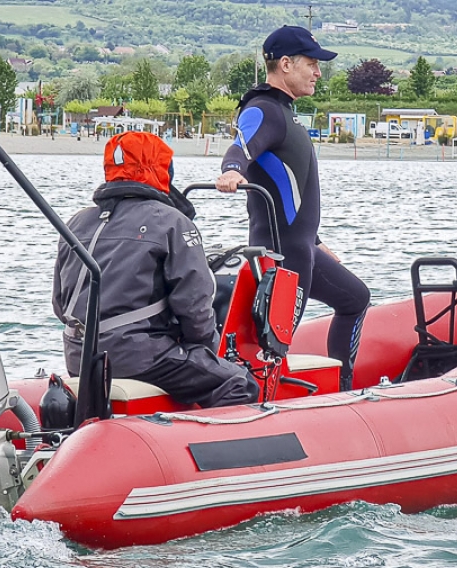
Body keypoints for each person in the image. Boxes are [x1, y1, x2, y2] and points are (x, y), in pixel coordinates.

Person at [54, 131, 260, 408]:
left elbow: (59, 304)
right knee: (238, 382)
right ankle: (194, 446)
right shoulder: (172, 222)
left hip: (78, 356)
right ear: (160, 169)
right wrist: (206, 351)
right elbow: (194, 306)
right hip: (138, 357)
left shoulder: (76, 222)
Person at [216, 25, 371, 391]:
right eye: (312, 64)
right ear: (285, 64)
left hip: (303, 250)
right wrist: (231, 172)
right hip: (280, 257)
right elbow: (240, 148)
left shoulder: (285, 112)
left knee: (354, 298)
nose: (318, 72)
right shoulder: (263, 109)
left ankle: (342, 391)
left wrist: (315, 240)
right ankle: (253, 407)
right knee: (272, 345)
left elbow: (292, 187)